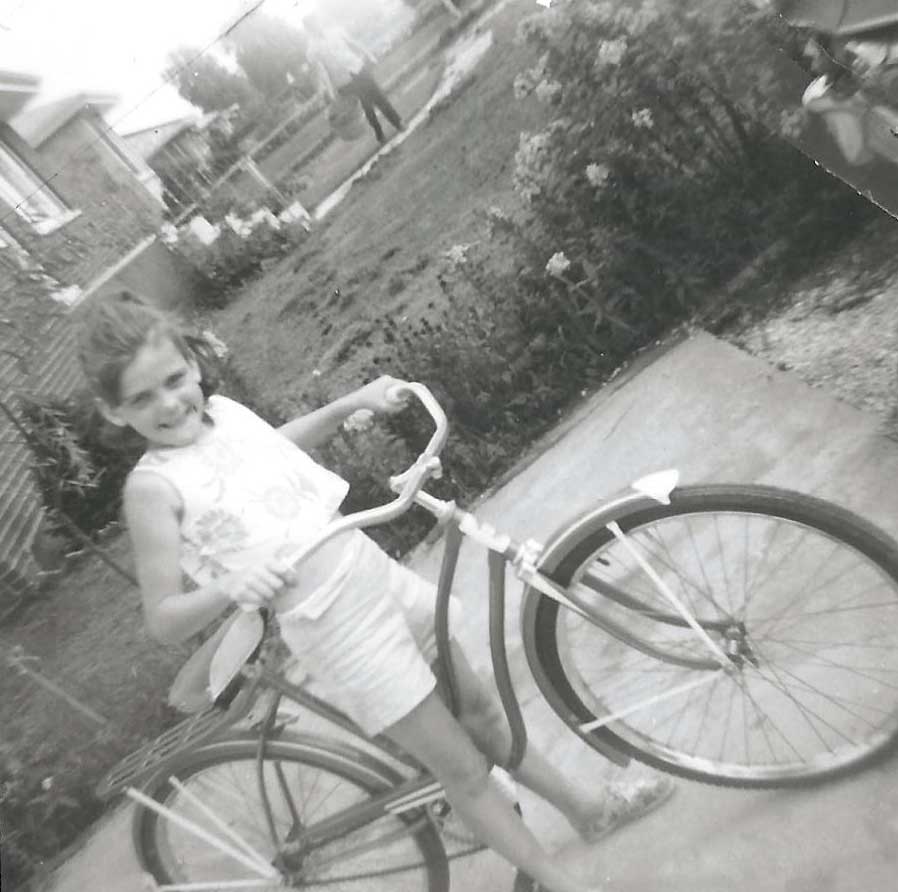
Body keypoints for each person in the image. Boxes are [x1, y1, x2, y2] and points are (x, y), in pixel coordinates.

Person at [77, 290, 674, 892]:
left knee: (484, 712)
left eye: (175, 379)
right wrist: (230, 585)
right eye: (142, 398)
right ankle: (555, 880)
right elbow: (163, 618)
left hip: (371, 574)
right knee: (462, 768)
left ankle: (589, 811)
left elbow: (271, 448)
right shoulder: (152, 489)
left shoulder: (226, 415)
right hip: (335, 631)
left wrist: (351, 403)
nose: (170, 403)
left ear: (193, 363)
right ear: (112, 411)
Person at [302, 13, 403, 144]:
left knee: (378, 96)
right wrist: (331, 92)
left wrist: (369, 54)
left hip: (358, 67)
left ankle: (398, 123)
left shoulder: (335, 31)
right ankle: (379, 133)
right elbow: (322, 72)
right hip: (343, 81)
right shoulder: (312, 50)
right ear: (309, 29)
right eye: (312, 25)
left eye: (316, 22)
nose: (316, 26)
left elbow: (352, 43)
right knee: (366, 104)